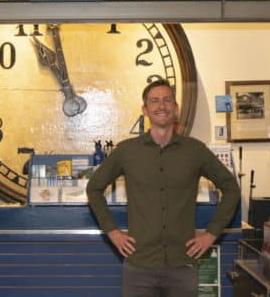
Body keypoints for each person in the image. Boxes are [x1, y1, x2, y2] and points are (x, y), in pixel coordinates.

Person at [87, 79, 241, 297]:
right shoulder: (127, 151)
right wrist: (112, 232)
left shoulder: (195, 151)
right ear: (145, 109)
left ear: (176, 108)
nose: (161, 106)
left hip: (183, 266)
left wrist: (211, 234)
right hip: (139, 265)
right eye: (155, 101)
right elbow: (93, 188)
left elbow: (231, 188)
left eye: (167, 100)